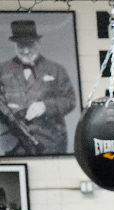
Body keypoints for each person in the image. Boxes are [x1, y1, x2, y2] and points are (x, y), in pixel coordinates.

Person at [0, 20, 77, 155]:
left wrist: (45, 106)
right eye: (20, 46)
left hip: (50, 142)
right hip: (14, 143)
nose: (26, 50)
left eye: (29, 45)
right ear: (15, 46)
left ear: (38, 43)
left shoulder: (56, 69)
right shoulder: (3, 70)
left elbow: (70, 100)